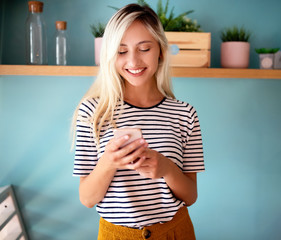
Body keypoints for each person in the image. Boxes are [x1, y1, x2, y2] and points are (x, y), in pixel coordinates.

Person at [71, 3, 205, 240]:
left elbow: (191, 196)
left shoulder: (185, 115)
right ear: (110, 55)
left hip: (176, 232)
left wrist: (166, 169)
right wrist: (109, 162)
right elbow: (87, 198)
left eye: (144, 48)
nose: (133, 61)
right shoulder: (93, 112)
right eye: (121, 51)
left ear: (160, 51)